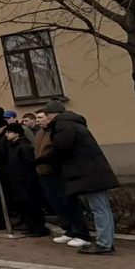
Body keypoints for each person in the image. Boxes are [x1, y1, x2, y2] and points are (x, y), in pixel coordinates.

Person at [37, 101, 119, 255]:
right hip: (92, 171)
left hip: (89, 172)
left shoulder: (64, 126)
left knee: (99, 208)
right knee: (101, 208)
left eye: (47, 116)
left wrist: (42, 160)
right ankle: (105, 242)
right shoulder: (72, 123)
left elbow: (61, 148)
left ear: (53, 114)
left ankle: (105, 244)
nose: (47, 120)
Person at [34, 109, 91, 248]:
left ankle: (81, 232)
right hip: (43, 173)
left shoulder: (56, 131)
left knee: (68, 203)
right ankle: (69, 230)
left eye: (41, 117)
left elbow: (59, 150)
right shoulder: (39, 133)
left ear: (49, 118)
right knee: (57, 204)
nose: (38, 120)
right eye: (37, 118)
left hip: (57, 172)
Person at [3, 122, 49, 237]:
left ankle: (38, 228)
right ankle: (31, 226)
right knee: (24, 206)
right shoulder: (13, 146)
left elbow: (29, 164)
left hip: (26, 181)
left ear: (17, 133)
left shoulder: (24, 147)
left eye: (9, 132)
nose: (7, 135)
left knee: (32, 206)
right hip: (18, 181)